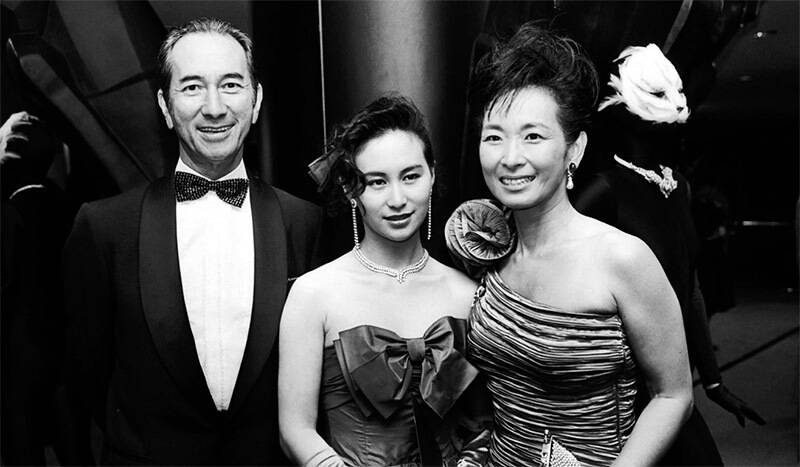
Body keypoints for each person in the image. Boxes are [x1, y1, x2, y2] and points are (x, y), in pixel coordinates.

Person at [61, 18, 321, 465]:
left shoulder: (305, 223)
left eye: (232, 85)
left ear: (256, 101)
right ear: (165, 106)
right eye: (193, 87)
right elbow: (82, 377)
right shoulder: (105, 228)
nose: (215, 107)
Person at [446, 22, 693, 466]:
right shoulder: (489, 249)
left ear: (574, 148)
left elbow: (673, 395)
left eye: (533, 135)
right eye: (493, 136)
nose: (510, 157)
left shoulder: (622, 259)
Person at [571, 43, 765, 466]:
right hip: (622, 396)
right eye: (658, 95)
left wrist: (712, 384)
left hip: (673, 387)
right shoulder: (603, 191)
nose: (676, 106)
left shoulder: (678, 186)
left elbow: (688, 285)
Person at [278, 94, 491, 467]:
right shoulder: (313, 295)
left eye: (410, 176)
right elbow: (295, 430)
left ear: (432, 175)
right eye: (377, 182)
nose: (397, 199)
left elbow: (482, 426)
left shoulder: (468, 295)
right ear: (350, 190)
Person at [1, 111, 93, 466]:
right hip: (66, 355)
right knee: (76, 452)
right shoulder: (71, 211)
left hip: (19, 358)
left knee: (22, 451)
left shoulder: (9, 214)